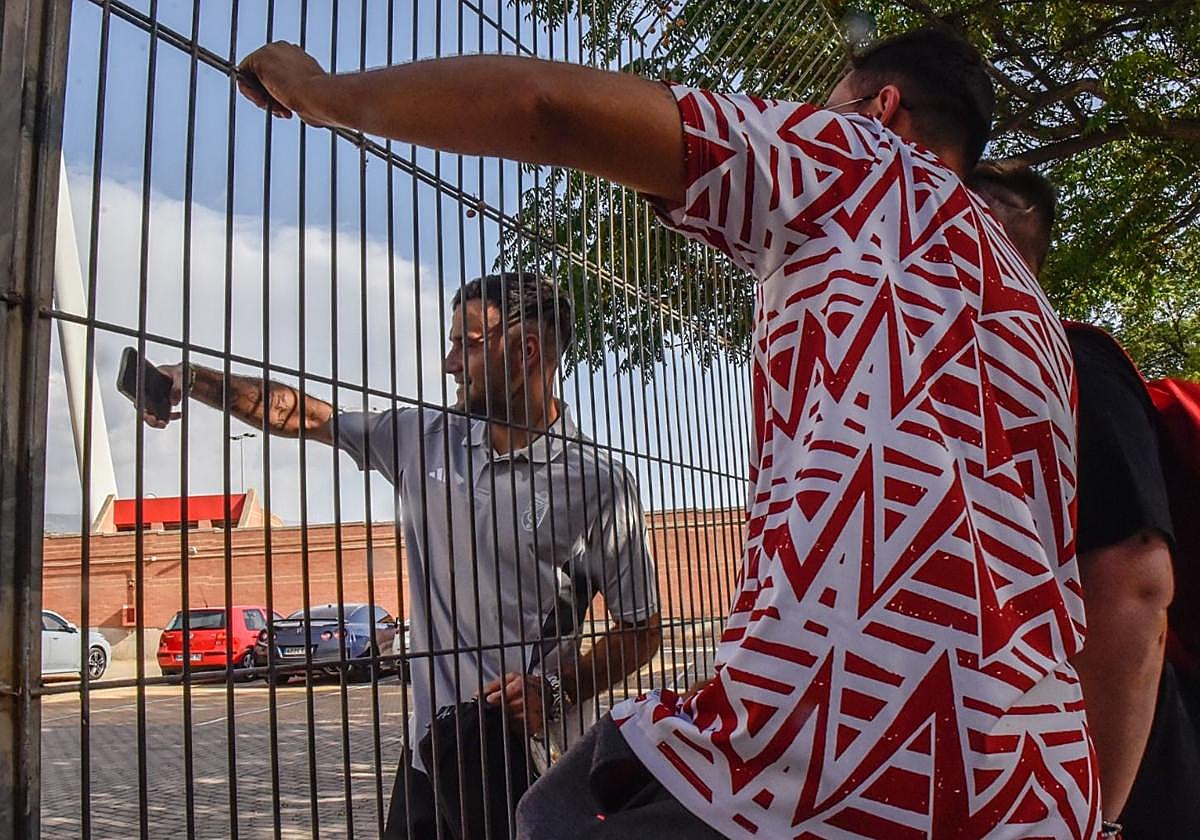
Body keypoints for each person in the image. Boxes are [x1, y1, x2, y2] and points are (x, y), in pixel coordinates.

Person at [236, 27, 1099, 838]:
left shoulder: (862, 159)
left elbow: (547, 104)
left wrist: (320, 92)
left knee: (551, 814)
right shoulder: (1032, 314)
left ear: (880, 108)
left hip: (847, 741)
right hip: (1043, 768)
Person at [145, 272, 662, 838]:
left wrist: (559, 692)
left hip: (524, 768)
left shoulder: (595, 484)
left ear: (526, 351)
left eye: (467, 343)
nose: (449, 363)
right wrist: (193, 381)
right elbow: (306, 416)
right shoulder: (425, 440)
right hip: (428, 759)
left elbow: (642, 629)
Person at [970, 160, 1200, 839]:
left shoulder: (1073, 365)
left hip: (1120, 783)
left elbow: (1132, 580)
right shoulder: (965, 380)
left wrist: (1096, 819)